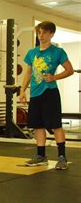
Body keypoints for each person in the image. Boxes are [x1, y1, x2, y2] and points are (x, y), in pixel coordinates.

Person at [19, 21, 74, 170]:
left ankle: (62, 157)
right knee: (38, 126)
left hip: (50, 92)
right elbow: (28, 73)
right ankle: (41, 155)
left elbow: (70, 70)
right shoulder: (32, 53)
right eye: (39, 33)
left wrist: (54, 77)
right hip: (35, 94)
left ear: (51, 34)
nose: (41, 36)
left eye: (44, 33)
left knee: (56, 125)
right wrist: (23, 91)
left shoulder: (58, 52)